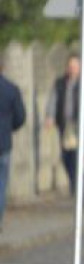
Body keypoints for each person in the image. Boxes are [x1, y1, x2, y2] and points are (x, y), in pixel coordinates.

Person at [45, 54, 81, 195]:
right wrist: (50, 116)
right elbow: (53, 100)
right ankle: (74, 181)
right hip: (65, 124)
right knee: (66, 155)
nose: (72, 69)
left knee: (77, 154)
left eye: (75, 66)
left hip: (78, 124)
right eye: (70, 66)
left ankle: (78, 184)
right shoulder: (60, 83)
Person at [0, 59, 26, 232]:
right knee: (1, 185)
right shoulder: (11, 89)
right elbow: (20, 117)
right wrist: (9, 128)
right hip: (4, 144)